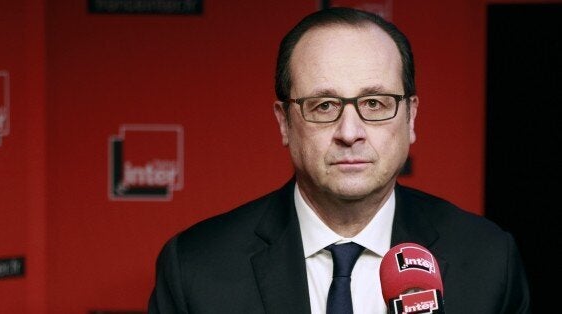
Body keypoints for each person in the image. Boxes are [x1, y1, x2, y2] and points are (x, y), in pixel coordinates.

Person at [147, 7, 531, 314]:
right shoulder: (196, 268)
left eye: (375, 103)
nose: (350, 131)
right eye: (324, 105)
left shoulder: (489, 261)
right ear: (284, 122)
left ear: (411, 117)